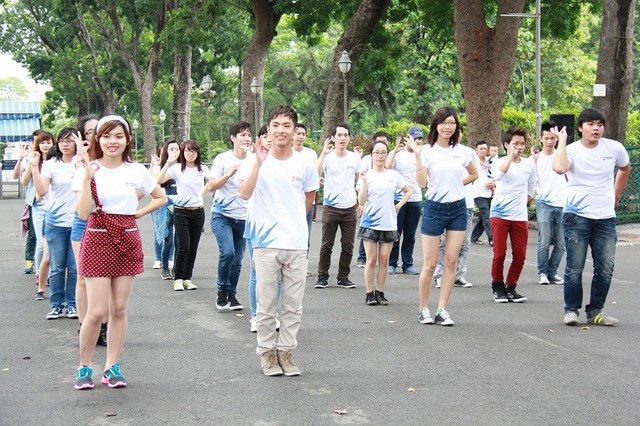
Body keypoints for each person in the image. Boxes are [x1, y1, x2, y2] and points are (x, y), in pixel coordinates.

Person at [73, 114, 166, 390]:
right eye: (106, 136)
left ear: (127, 140)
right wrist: (87, 176)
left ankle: (111, 366)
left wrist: (137, 213)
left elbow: (161, 197)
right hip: (97, 238)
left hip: (127, 238)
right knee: (96, 311)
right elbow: (82, 213)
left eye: (118, 136)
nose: (112, 141)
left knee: (120, 308)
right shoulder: (88, 169)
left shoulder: (136, 170)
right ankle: (84, 366)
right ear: (98, 139)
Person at [238, 105, 318, 377]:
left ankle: (286, 351)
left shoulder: (305, 162)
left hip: (296, 243)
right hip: (265, 244)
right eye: (276, 125)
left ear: (295, 131)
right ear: (268, 129)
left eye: (286, 125)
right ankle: (267, 354)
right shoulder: (256, 159)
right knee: (266, 305)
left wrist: (292, 220)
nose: (281, 130)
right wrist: (259, 163)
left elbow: (309, 197)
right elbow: (244, 193)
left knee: (293, 304)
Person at [552, 109, 630, 326]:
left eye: (599, 124)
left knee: (605, 268)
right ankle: (571, 310)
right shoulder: (571, 150)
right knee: (575, 266)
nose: (596, 128)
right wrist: (562, 141)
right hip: (576, 216)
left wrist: (616, 194)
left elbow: (625, 168)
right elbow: (559, 168)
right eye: (591, 124)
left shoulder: (613, 148)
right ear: (580, 128)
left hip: (605, 217)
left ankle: (596, 310)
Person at [407, 107, 477, 326]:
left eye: (452, 123)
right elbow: (421, 183)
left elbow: (474, 174)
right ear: (436, 125)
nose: (448, 127)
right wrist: (417, 155)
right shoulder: (427, 151)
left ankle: (442, 309)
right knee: (430, 264)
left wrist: (456, 184)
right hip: (434, 208)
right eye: (444, 122)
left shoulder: (462, 151)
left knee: (451, 261)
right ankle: (423, 309)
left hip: (458, 208)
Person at [30, 127, 79, 320]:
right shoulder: (51, 164)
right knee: (57, 266)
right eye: (62, 140)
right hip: (55, 222)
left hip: (78, 222)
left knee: (74, 268)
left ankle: (72, 304)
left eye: (70, 140)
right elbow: (42, 191)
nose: (65, 144)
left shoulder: (81, 164)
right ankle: (56, 305)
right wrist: (34, 167)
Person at [358, 140, 411, 305]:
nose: (380, 156)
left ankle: (380, 292)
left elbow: (408, 191)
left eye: (383, 152)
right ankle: (369, 293)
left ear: (387, 155)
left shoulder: (393, 175)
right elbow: (361, 200)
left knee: (384, 260)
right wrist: (364, 182)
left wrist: (398, 205)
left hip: (388, 223)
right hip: (370, 223)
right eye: (377, 152)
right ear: (371, 155)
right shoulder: (366, 175)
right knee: (371, 259)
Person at [206, 121, 251, 310]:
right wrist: (228, 175)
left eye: (249, 135)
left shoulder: (254, 160)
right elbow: (211, 186)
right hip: (222, 215)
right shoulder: (222, 159)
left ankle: (232, 295)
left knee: (238, 260)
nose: (246, 139)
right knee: (228, 252)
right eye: (242, 135)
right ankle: (222, 290)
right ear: (233, 138)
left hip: (244, 217)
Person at [489, 127, 537, 303]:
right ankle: (497, 286)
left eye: (522, 144)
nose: (519, 147)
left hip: (519, 216)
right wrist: (510, 156)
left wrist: (523, 202)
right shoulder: (498, 162)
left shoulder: (529, 164)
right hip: (500, 214)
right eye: (515, 143)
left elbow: (532, 188)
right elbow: (498, 175)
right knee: (499, 253)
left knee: (520, 255)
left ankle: (511, 287)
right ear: (506, 145)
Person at [157, 140, 209, 291]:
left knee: (193, 247)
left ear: (198, 153)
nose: (190, 154)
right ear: (182, 152)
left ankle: (187, 278)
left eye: (193, 151)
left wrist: (202, 194)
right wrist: (168, 162)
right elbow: (159, 180)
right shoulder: (177, 169)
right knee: (183, 246)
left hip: (198, 211)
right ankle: (178, 278)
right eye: (187, 150)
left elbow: (212, 182)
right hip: (181, 211)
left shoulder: (202, 168)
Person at [315, 123, 360, 289]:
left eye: (345, 135)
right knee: (327, 244)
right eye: (339, 135)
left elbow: (359, 181)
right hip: (331, 207)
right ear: (333, 138)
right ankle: (322, 277)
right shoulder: (327, 157)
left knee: (348, 245)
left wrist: (361, 202)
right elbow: (315, 173)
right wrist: (323, 153)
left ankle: (343, 277)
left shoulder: (354, 158)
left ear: (349, 138)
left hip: (349, 207)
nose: (342, 138)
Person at [531, 121, 567, 285]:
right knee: (544, 242)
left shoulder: (563, 155)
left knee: (561, 244)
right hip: (544, 203)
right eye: (546, 138)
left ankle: (552, 272)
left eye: (553, 138)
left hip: (563, 203)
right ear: (541, 139)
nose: (550, 141)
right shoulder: (536, 159)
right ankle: (543, 273)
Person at [20, 131, 55, 300]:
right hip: (39, 205)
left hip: (55, 204)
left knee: (53, 242)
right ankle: (40, 275)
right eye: (42, 143)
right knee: (41, 243)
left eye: (48, 142)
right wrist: (32, 165)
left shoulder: (57, 160)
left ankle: (51, 274)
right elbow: (24, 181)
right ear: (38, 145)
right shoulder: (34, 160)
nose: (46, 145)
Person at [386, 128, 422, 275]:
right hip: (399, 198)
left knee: (410, 235)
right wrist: (394, 152)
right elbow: (387, 167)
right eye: (414, 138)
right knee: (395, 232)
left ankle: (408, 264)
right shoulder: (399, 155)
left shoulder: (421, 155)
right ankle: (391, 263)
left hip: (416, 199)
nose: (417, 141)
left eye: (419, 138)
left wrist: (418, 154)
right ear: (408, 138)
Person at [150, 140, 179, 280]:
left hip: (181, 204)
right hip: (164, 204)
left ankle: (177, 266)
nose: (174, 152)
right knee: (164, 236)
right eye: (171, 149)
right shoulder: (161, 167)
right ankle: (162, 263)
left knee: (180, 239)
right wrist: (164, 164)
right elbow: (156, 181)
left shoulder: (184, 166)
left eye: (177, 149)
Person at [13, 130, 42, 275]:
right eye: (37, 141)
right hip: (33, 201)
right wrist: (20, 160)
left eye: (44, 141)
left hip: (51, 201)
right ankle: (30, 261)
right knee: (33, 234)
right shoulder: (28, 158)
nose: (40, 144)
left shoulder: (53, 157)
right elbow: (17, 177)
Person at [293, 123, 318, 277]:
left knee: (305, 236)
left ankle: (303, 265)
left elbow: (314, 176)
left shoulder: (310, 154)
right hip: (290, 203)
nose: (300, 137)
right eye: (298, 133)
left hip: (307, 202)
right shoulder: (286, 154)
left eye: (303, 134)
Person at [470, 140, 495, 246]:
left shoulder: (490, 161)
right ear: (476, 150)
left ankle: (474, 237)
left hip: (489, 192)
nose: (483, 150)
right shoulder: (473, 162)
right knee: (486, 214)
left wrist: (493, 183)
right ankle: (492, 239)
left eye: (485, 148)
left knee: (483, 216)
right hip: (477, 192)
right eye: (481, 149)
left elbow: (496, 174)